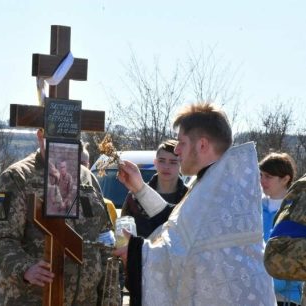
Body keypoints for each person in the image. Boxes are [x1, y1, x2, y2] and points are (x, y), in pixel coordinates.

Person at [114, 102, 275, 305]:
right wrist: (140, 188)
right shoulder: (215, 184)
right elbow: (180, 227)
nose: (177, 151)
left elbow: (182, 253)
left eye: (181, 143)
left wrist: (136, 252)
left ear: (202, 145)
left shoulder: (221, 194)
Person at [0, 129, 113, 305]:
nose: (63, 147)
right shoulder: (16, 178)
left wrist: (109, 296)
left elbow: (104, 238)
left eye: (70, 139)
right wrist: (25, 267)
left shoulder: (86, 177)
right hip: (34, 298)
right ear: (41, 136)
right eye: (57, 138)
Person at [121, 139, 188, 238]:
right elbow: (123, 232)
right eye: (161, 161)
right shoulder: (135, 196)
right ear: (155, 162)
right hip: (140, 252)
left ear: (181, 164)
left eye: (173, 162)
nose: (166, 166)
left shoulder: (188, 197)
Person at [260, 153, 303, 306]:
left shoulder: (296, 212)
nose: (262, 180)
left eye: (269, 176)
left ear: (285, 179)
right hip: (255, 292)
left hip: (285, 299)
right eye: (261, 175)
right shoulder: (253, 208)